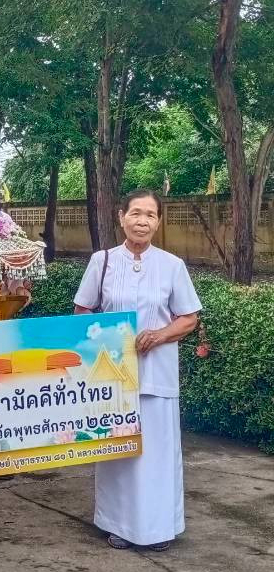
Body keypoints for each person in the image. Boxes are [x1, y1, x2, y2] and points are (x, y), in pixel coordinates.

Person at [74, 189, 201, 552]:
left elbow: (188, 318)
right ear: (121, 217)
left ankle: (160, 527)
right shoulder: (102, 262)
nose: (142, 221)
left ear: (158, 222)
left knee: (158, 454)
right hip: (113, 376)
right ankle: (118, 525)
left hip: (157, 374)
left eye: (149, 215)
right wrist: (108, 340)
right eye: (135, 213)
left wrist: (159, 335)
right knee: (119, 453)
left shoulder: (172, 265)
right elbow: (83, 311)